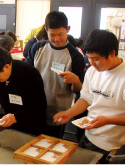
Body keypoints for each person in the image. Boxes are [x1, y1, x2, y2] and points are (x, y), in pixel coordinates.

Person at [53, 29, 125, 163]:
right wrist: (69, 113)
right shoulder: (93, 71)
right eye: (89, 58)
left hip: (111, 144)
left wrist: (107, 120)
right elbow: (86, 98)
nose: (91, 63)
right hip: (88, 135)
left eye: (96, 59)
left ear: (112, 53)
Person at [25, 11, 85, 138]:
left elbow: (79, 90)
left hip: (57, 111)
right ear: (46, 29)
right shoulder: (37, 48)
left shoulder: (76, 56)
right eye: (52, 35)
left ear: (68, 29)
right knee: (31, 142)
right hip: (34, 107)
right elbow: (27, 74)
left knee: (52, 145)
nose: (57, 39)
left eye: (61, 34)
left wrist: (75, 80)